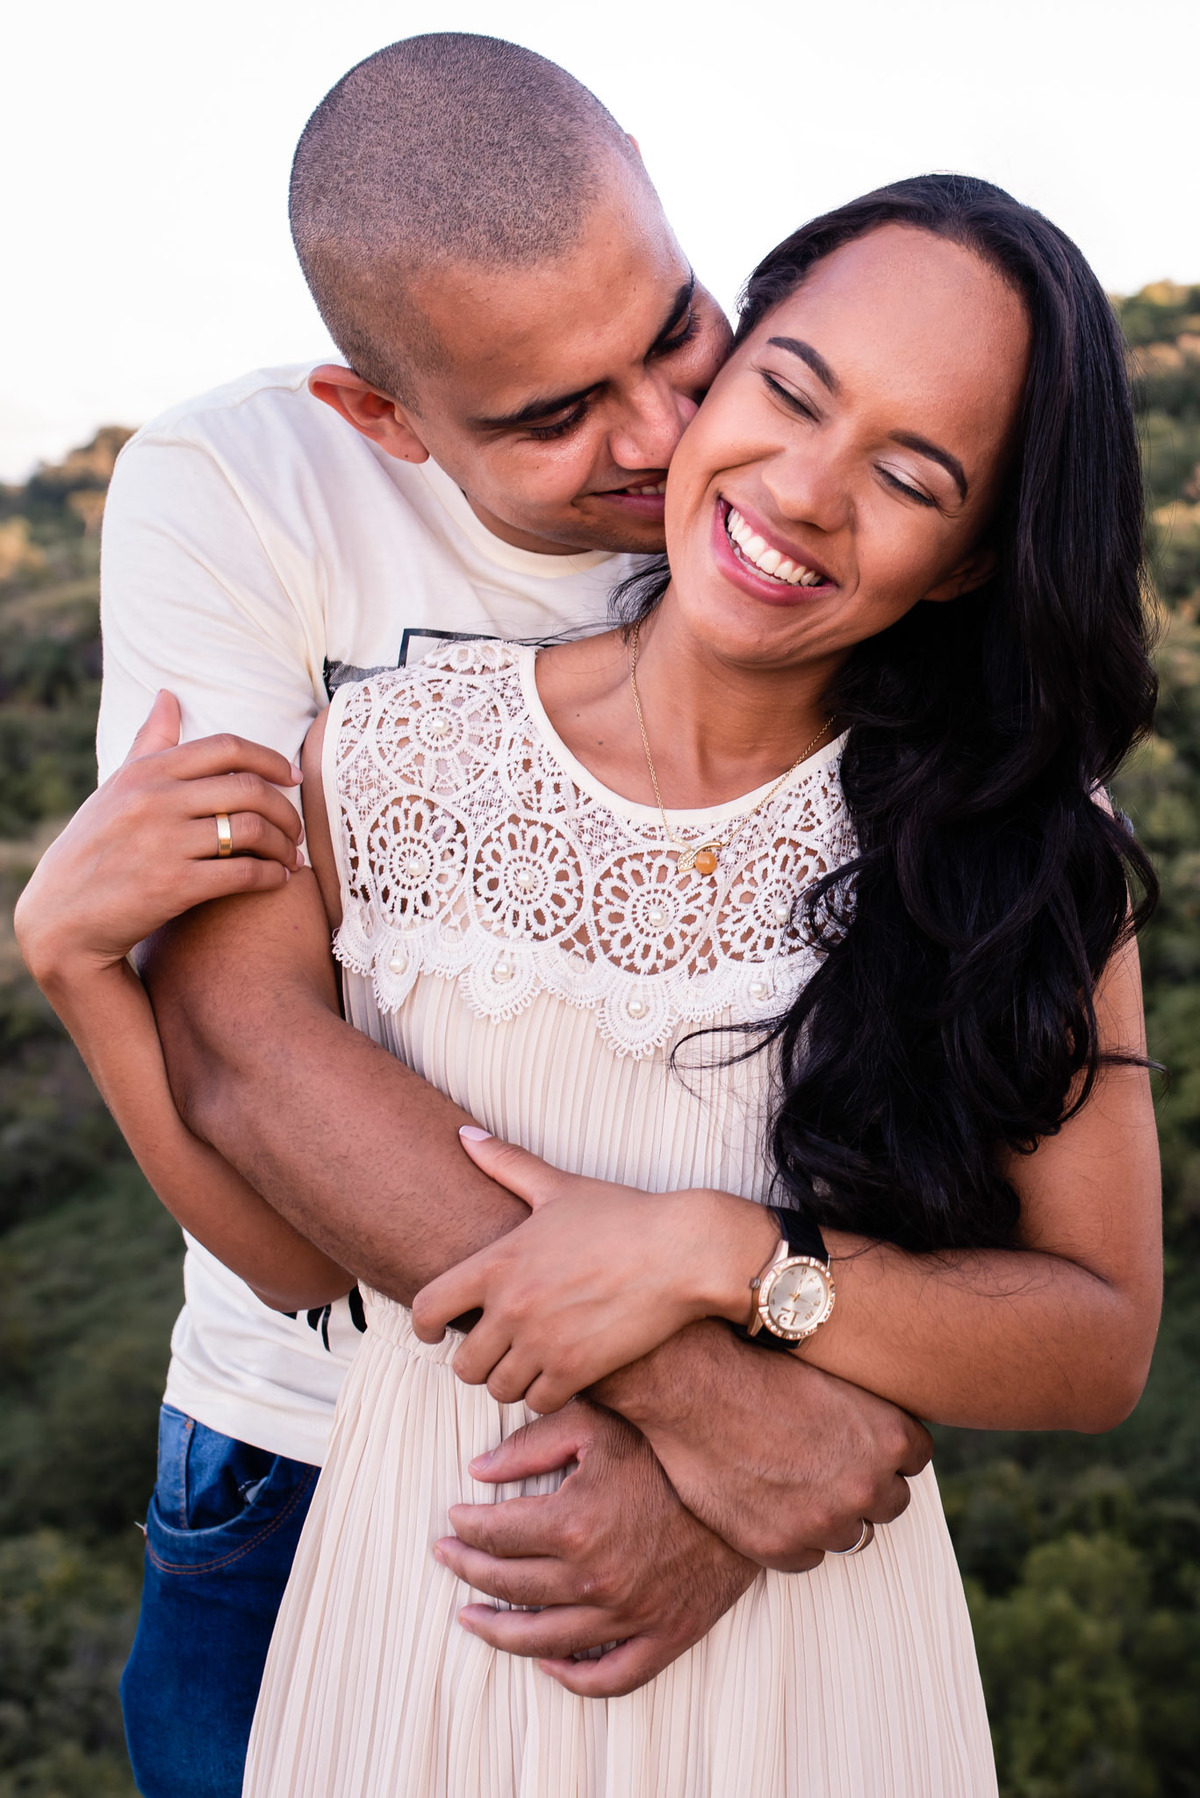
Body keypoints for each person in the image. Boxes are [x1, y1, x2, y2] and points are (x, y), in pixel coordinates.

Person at [15, 32, 929, 1798]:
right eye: (551, 413)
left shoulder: (804, 501)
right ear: (379, 415)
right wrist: (712, 1418)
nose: (662, 432)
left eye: (672, 327)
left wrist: (741, 1481)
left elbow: (954, 1071)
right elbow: (252, 1048)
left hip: (794, 1436)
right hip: (308, 1453)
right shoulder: (238, 491)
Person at [229, 176, 1161, 1795]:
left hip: (821, 1670)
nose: (805, 490)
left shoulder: (1020, 849)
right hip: (419, 1635)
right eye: (791, 389)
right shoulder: (382, 755)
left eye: (912, 474)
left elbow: (1096, 1340)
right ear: (716, 370)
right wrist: (87, 983)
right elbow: (276, 1224)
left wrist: (731, 1256)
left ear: (964, 561)